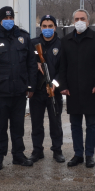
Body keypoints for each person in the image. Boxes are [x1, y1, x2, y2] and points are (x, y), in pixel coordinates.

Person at [0, 6, 38, 170]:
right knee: (0, 127)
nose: (9, 21)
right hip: (0, 93)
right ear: (0, 20)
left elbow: (32, 64)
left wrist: (31, 86)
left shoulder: (23, 38)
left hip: (19, 91)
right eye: (6, 18)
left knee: (18, 126)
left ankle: (18, 155)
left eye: (11, 18)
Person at [58, 9, 95, 168]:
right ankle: (78, 154)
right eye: (77, 19)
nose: (80, 21)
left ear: (88, 21)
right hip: (72, 90)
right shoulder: (66, 40)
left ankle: (89, 155)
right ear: (73, 21)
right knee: (75, 124)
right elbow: (62, 66)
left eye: (83, 18)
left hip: (92, 90)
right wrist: (63, 86)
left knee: (91, 124)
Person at [29, 15, 65, 163]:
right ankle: (37, 151)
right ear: (41, 27)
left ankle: (57, 151)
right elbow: (26, 63)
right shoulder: (33, 44)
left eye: (50, 26)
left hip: (54, 91)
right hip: (37, 91)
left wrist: (54, 84)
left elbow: (64, 69)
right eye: (44, 26)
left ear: (55, 27)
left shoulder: (62, 44)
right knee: (36, 124)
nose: (47, 29)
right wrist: (35, 63)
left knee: (55, 123)